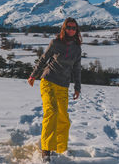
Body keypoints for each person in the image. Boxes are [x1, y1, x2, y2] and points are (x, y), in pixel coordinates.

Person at [28, 17, 82, 162]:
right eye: (68, 28)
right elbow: (43, 59)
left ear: (76, 30)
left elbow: (76, 69)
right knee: (51, 112)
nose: (71, 30)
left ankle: (60, 148)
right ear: (64, 29)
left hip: (63, 85)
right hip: (48, 81)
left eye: (73, 28)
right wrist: (33, 75)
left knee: (63, 118)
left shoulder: (77, 48)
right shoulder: (56, 42)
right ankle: (46, 149)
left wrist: (77, 87)